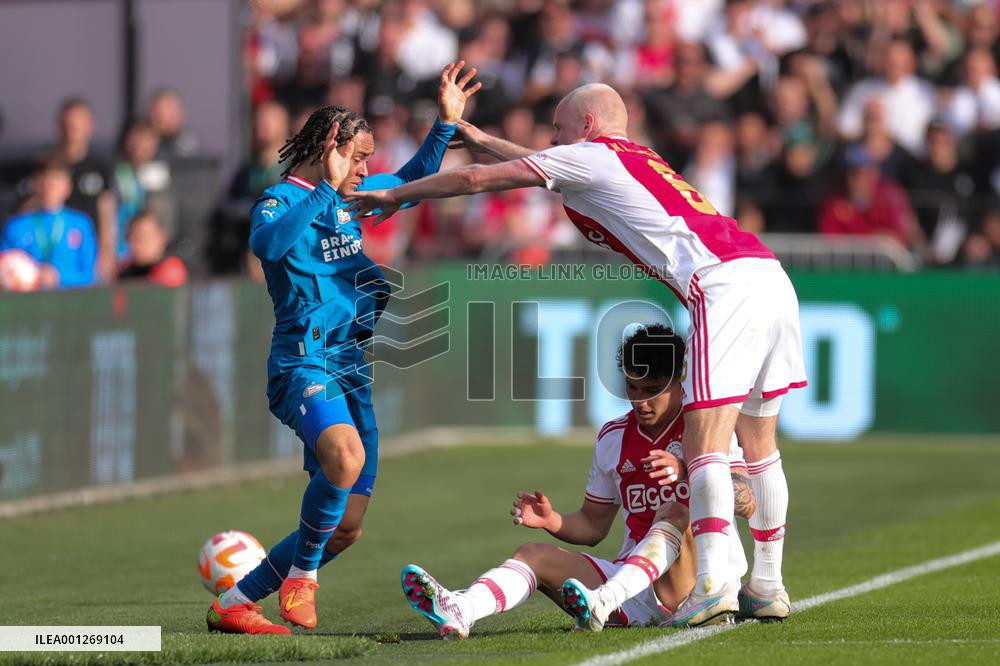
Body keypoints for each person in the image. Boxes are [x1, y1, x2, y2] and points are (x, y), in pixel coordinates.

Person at [346, 82, 807, 626]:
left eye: (558, 128)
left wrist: (397, 196)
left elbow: (477, 181)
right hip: (768, 274)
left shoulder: (592, 158)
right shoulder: (633, 158)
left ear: (586, 128)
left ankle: (711, 585)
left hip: (720, 284)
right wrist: (482, 138)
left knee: (705, 443)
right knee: (760, 443)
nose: (551, 139)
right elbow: (539, 165)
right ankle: (768, 583)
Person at [205, 62, 480, 636]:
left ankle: (234, 601)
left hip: (351, 367)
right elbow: (267, 245)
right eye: (357, 157)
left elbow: (412, 178)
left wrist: (445, 124)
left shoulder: (352, 199)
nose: (365, 170)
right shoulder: (283, 200)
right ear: (329, 148)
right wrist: (327, 187)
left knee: (349, 525)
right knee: (345, 459)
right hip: (303, 360)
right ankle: (302, 580)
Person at [401, 325, 755, 639]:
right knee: (532, 555)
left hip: (696, 585)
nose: (641, 401)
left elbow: (746, 500)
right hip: (634, 583)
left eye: (652, 389)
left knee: (675, 510)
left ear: (681, 380)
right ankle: (463, 609)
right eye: (632, 387)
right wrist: (552, 521)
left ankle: (604, 601)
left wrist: (690, 470)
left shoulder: (707, 429)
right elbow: (593, 525)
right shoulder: (613, 437)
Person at [0, 160, 97, 289]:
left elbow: (89, 275)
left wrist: (59, 277)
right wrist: (31, 276)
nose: (49, 188)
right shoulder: (16, 226)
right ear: (35, 185)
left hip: (71, 301)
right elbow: (5, 268)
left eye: (54, 183)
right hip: (28, 302)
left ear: (67, 187)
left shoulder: (80, 224)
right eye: (43, 183)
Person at [117, 211, 187, 287]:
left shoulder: (171, 270)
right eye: (134, 237)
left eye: (146, 236)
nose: (139, 242)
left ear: (162, 238)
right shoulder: (123, 271)